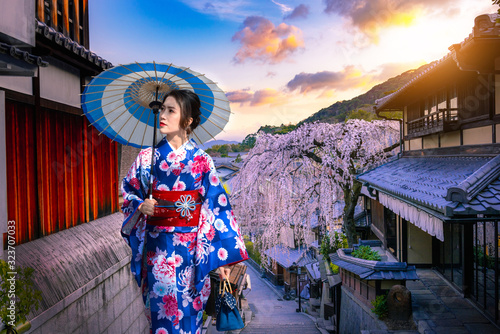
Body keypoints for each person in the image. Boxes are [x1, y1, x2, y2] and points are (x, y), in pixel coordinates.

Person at [120, 89, 248, 334]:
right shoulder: (147, 158)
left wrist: (221, 260)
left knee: (190, 318)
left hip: (192, 254)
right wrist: (141, 206)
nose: (163, 116)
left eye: (171, 110)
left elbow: (216, 208)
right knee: (161, 319)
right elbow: (128, 192)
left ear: (188, 121)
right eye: (162, 109)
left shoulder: (202, 161)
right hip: (158, 252)